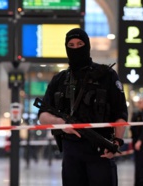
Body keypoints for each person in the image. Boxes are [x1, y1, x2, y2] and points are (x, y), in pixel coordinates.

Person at [38, 28, 128, 186]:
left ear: (87, 45)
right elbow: (42, 116)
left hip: (101, 150)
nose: (75, 48)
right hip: (71, 152)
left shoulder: (106, 76)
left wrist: (117, 141)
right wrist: (62, 124)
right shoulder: (59, 80)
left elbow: (121, 113)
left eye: (80, 44)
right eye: (71, 45)